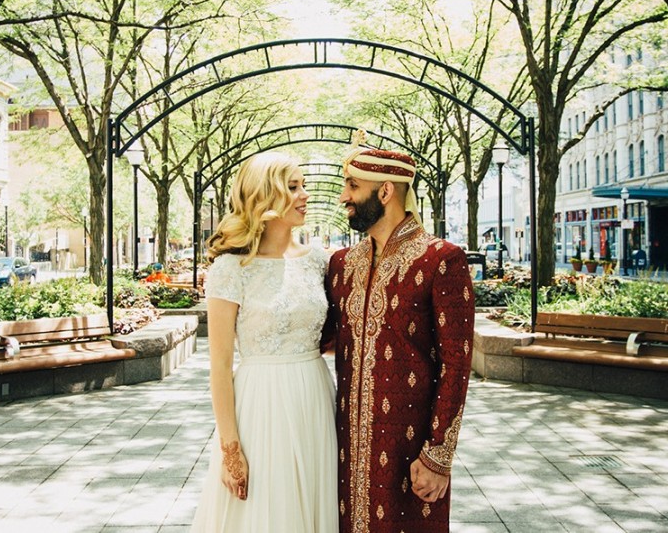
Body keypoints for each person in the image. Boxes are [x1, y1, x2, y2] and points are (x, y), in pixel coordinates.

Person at [321, 132, 475, 533]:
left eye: (353, 186)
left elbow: (457, 365)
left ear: (386, 191)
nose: (343, 197)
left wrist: (438, 456)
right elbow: (316, 337)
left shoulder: (440, 260)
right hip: (344, 451)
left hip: (410, 452)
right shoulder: (341, 264)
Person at [190, 152, 338, 533]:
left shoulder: (319, 261)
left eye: (303, 185)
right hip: (261, 402)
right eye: (292, 187)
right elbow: (220, 366)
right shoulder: (230, 268)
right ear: (264, 196)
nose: (304, 194)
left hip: (315, 395)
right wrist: (230, 448)